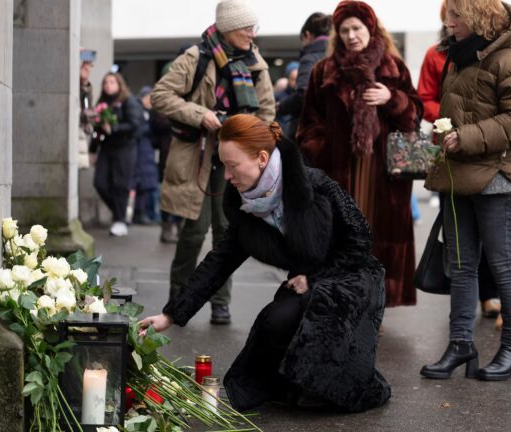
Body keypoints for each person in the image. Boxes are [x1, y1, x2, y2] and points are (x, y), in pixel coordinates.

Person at [137, 114, 389, 412]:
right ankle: (290, 384)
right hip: (308, 280)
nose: (227, 176)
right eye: (224, 165)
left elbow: (361, 239)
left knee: (319, 310)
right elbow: (218, 262)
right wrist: (171, 315)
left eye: (232, 166)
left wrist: (316, 277)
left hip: (352, 275)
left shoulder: (314, 185)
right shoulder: (244, 207)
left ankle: (332, 388)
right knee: (276, 320)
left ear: (261, 158)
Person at [420, 0, 511, 381]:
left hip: (499, 177)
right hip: (460, 173)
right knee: (460, 265)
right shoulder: (461, 56)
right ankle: (460, 344)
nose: (449, 22)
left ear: (478, 18)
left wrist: (466, 136)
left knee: (503, 265)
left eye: (456, 16)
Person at [151, 0, 275, 325]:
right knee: (194, 231)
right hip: (200, 154)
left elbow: (266, 112)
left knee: (227, 233)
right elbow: (161, 95)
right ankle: (176, 303)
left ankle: (220, 303)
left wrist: (248, 138)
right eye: (247, 28)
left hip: (235, 159)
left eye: (253, 28)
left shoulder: (254, 62)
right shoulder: (196, 56)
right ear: (229, 28)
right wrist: (201, 114)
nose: (252, 34)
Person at [298, 0, 421, 308]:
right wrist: (322, 150)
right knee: (343, 236)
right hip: (339, 170)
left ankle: (373, 305)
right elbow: (308, 124)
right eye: (345, 30)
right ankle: (339, 301)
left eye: (357, 28)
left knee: (378, 236)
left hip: (384, 171)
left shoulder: (394, 67)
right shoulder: (323, 71)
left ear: (371, 28)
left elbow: (415, 116)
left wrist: (392, 98)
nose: (352, 35)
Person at [417, 0, 502, 326]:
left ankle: (489, 294)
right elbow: (425, 98)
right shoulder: (435, 54)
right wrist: (446, 121)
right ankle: (463, 310)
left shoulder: (493, 53)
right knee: (458, 234)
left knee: (492, 231)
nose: (452, 22)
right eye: (449, 15)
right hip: (448, 150)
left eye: (458, 15)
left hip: (485, 150)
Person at [91, 72, 143, 237]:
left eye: (112, 82)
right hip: (107, 147)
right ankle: (121, 213)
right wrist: (93, 150)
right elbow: (97, 131)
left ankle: (120, 220)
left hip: (125, 147)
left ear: (119, 84)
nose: (108, 85)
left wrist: (115, 128)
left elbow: (135, 125)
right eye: (106, 82)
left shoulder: (129, 101)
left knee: (120, 184)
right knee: (100, 183)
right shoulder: (102, 103)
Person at [277, 12, 331, 140]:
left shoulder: (310, 58)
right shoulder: (340, 54)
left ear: (307, 35)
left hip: (313, 131)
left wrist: (282, 106)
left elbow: (303, 94)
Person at [133, 86, 161, 225]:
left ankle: (144, 213)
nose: (151, 102)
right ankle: (139, 213)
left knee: (146, 185)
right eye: (149, 98)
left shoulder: (149, 113)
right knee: (141, 184)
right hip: (141, 151)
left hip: (147, 151)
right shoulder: (140, 112)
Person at [79, 48, 96, 170]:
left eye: (90, 65)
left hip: (79, 131)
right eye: (86, 64)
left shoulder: (86, 87)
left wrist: (85, 83)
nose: (88, 69)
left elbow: (88, 107)